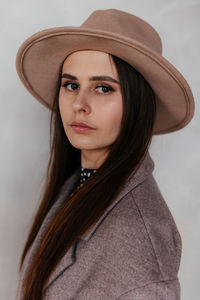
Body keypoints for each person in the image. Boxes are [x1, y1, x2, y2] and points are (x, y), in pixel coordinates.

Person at [15, 8, 194, 300]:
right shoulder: (77, 185)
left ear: (139, 103)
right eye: (71, 85)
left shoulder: (140, 242)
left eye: (102, 88)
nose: (79, 104)